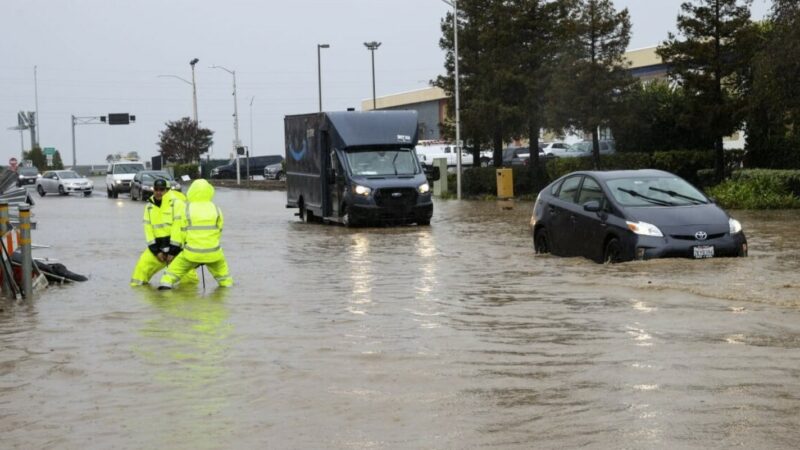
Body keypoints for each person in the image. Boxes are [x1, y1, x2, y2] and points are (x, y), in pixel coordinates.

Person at [159, 179, 232, 289]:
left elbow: (181, 233)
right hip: (214, 252)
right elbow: (219, 230)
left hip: (191, 253)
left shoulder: (186, 209)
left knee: (168, 277)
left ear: (191, 191)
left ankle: (165, 298)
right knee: (225, 280)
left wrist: (177, 250)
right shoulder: (216, 209)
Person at [130, 179, 198, 286]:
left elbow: (178, 229)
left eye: (161, 189)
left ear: (167, 190)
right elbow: (148, 231)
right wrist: (156, 252)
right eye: (156, 189)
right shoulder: (149, 207)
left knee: (189, 282)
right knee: (140, 272)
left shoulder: (177, 204)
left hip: (177, 250)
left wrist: (172, 252)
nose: (158, 192)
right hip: (157, 249)